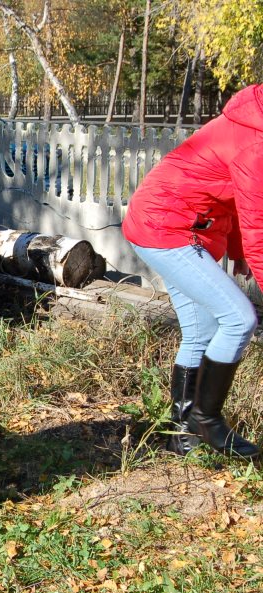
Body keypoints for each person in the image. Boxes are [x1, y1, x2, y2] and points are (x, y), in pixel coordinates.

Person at [122, 84, 263, 460]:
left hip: (178, 225)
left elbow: (235, 197)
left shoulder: (253, 124)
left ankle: (181, 435)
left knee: (202, 332)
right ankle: (207, 419)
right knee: (239, 319)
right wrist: (247, 252)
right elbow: (260, 227)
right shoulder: (256, 143)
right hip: (166, 227)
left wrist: (237, 252)